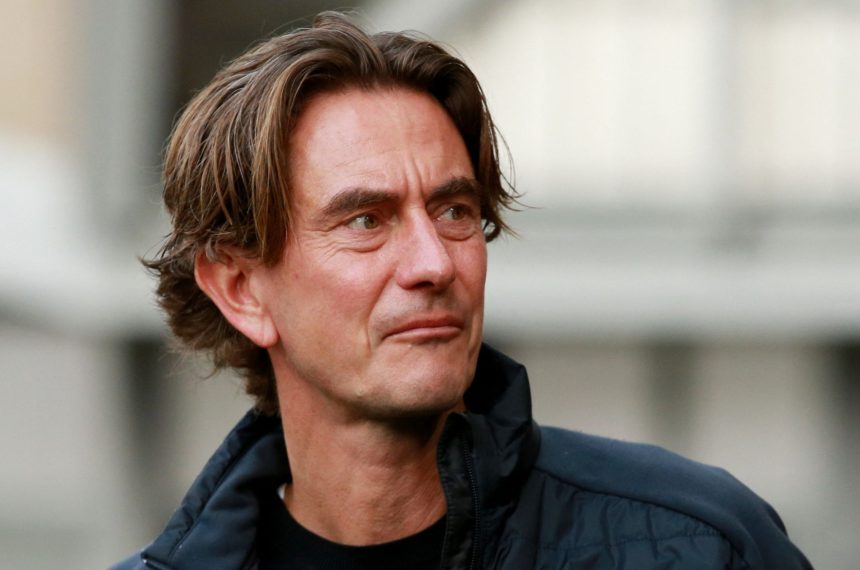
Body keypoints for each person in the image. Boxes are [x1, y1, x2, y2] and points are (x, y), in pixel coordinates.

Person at [112, 12, 811, 570]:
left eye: (453, 211)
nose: (434, 263)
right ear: (241, 290)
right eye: (366, 220)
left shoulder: (698, 545)